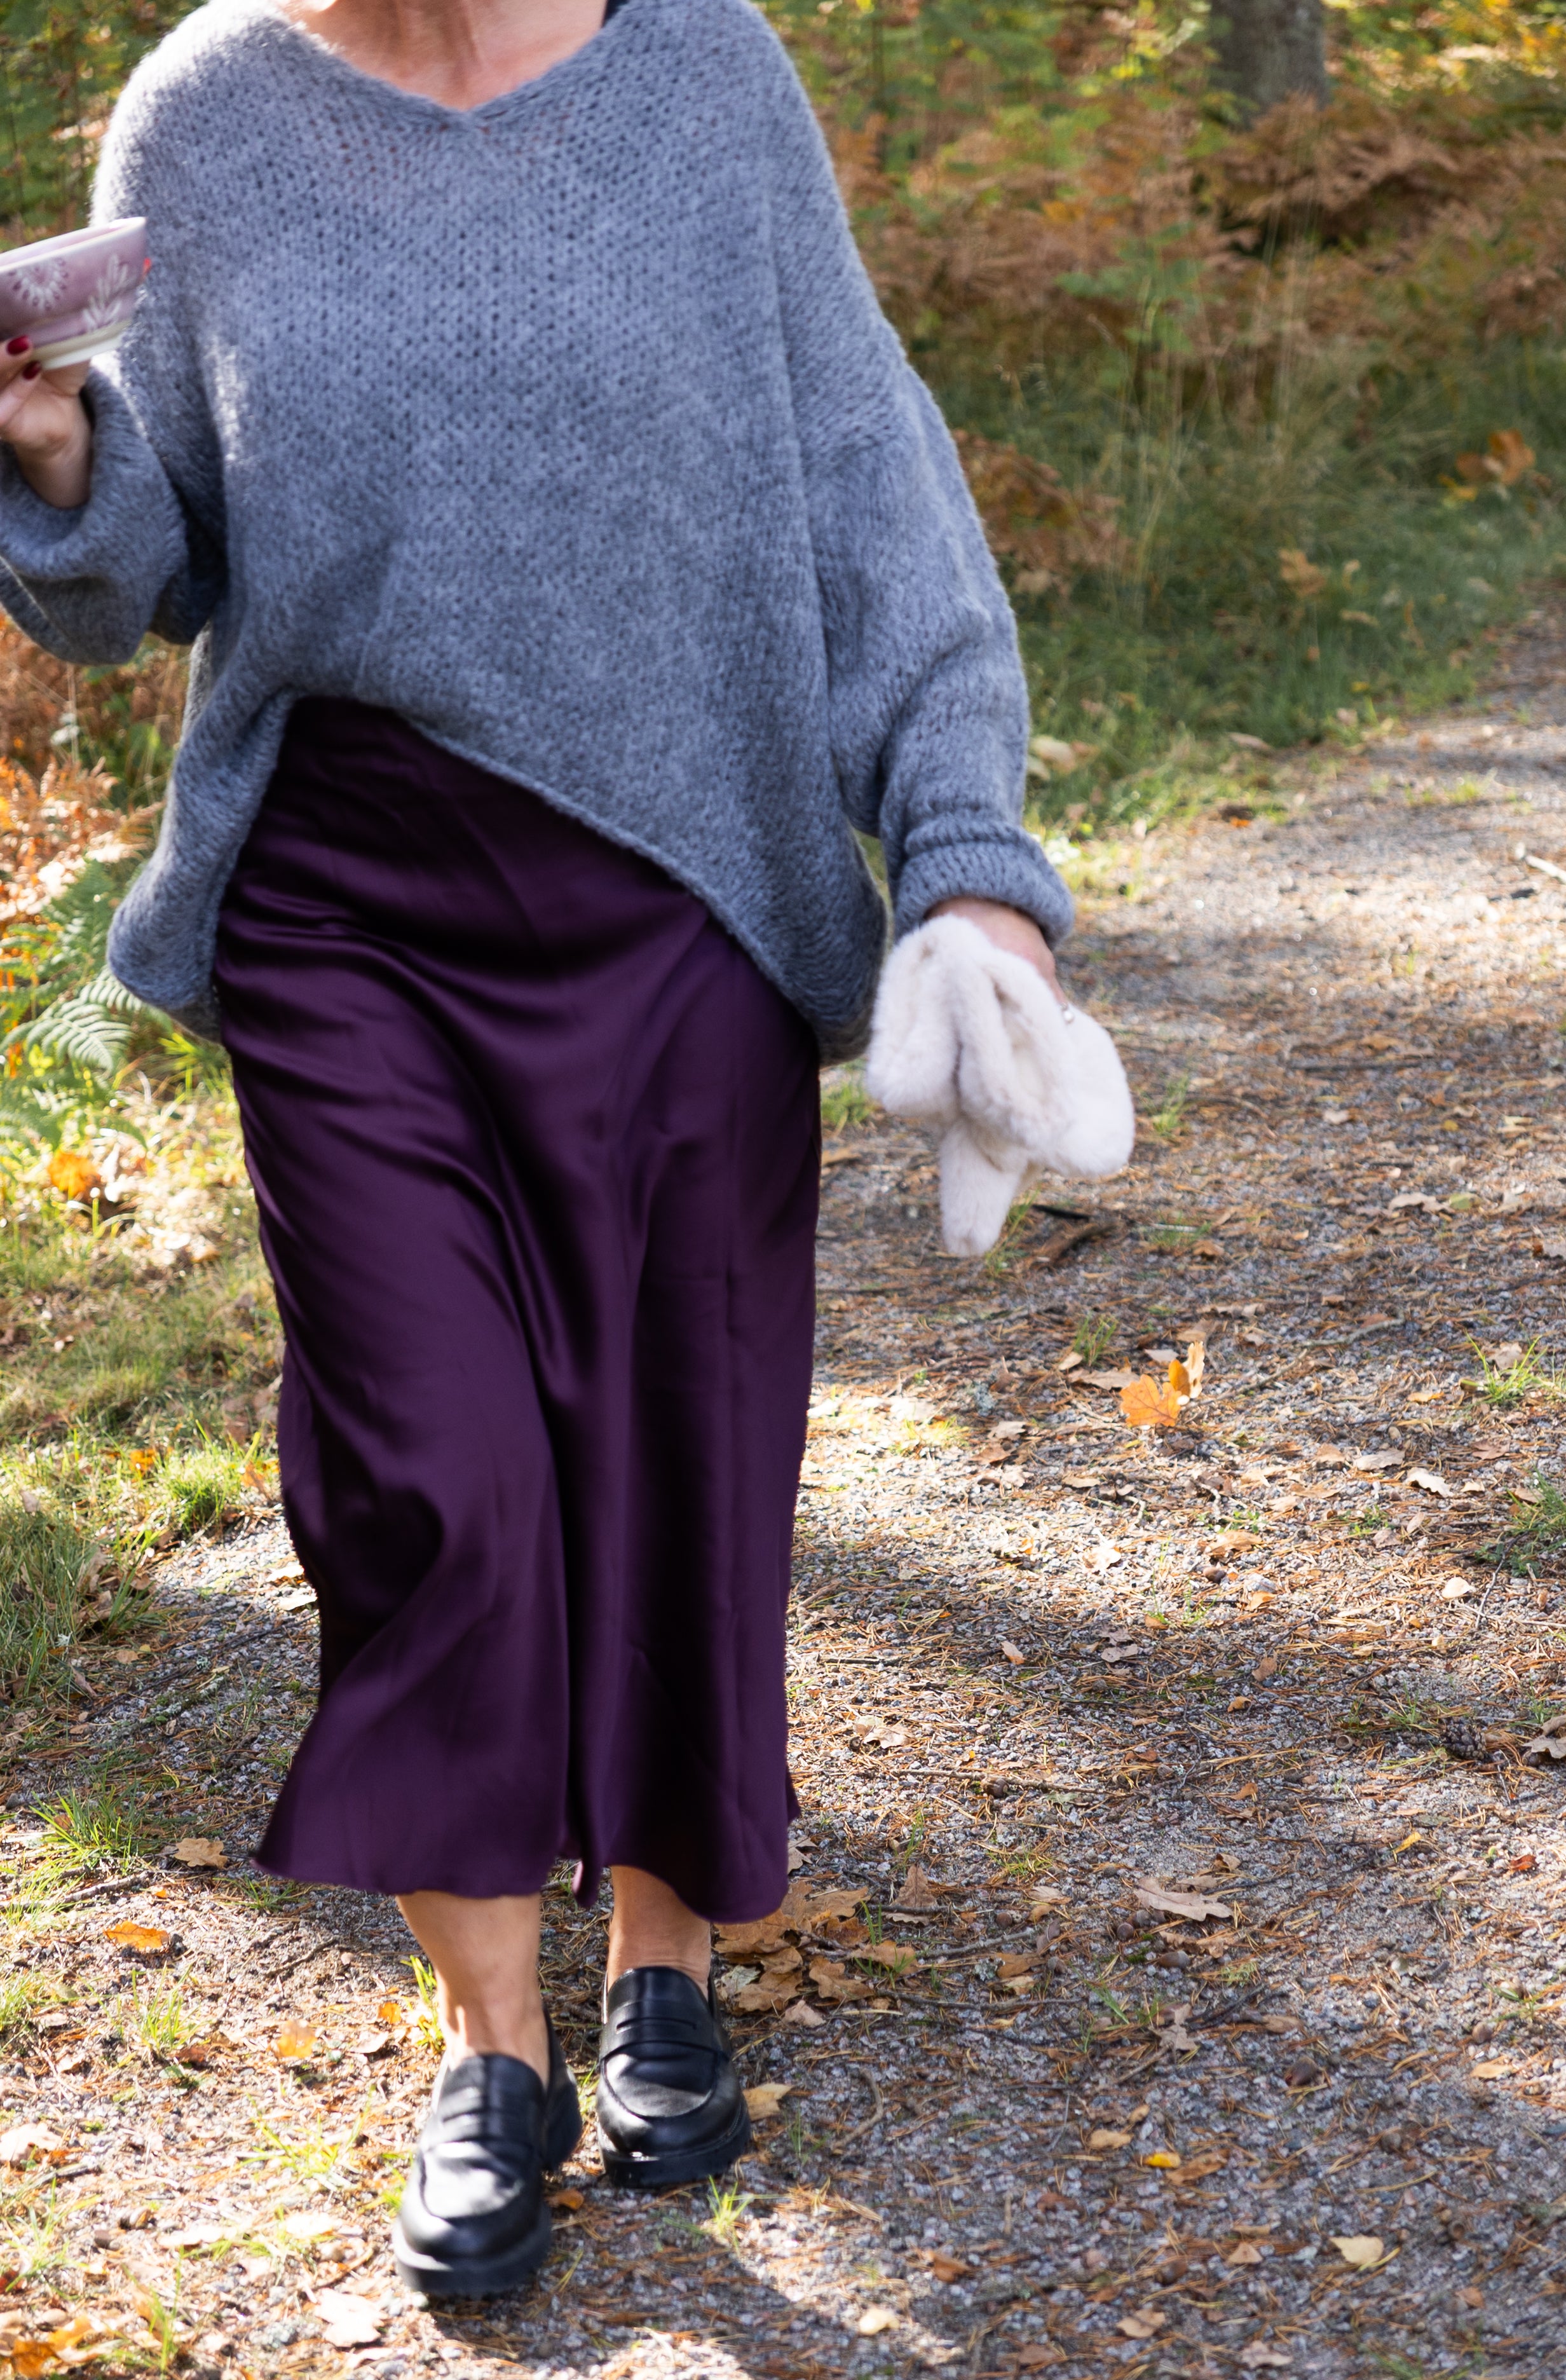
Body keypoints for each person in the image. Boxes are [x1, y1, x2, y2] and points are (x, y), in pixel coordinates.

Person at [0, 0, 1084, 2301]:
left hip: (684, 879)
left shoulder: (708, 82)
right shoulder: (209, 112)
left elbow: (865, 481)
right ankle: (491, 2047)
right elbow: (140, 575)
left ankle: (664, 1967)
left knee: (682, 1436)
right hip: (342, 897)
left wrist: (967, 849)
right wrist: (53, 462)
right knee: (435, 1466)